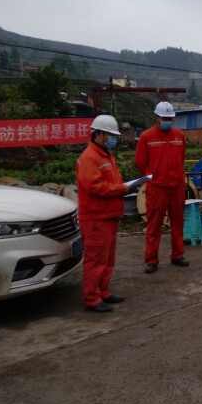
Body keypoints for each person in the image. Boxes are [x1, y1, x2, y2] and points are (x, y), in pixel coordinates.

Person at [76, 115, 135, 312]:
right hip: (95, 218)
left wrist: (122, 187)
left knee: (107, 258)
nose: (113, 139)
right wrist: (122, 189)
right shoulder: (90, 157)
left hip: (108, 216)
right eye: (110, 135)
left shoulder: (105, 155)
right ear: (99, 134)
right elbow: (96, 187)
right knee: (96, 259)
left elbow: (110, 182)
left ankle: (103, 291)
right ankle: (92, 298)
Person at [135, 101, 190, 274]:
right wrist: (153, 177)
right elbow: (140, 162)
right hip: (157, 188)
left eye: (170, 118)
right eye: (164, 118)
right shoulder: (146, 137)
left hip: (176, 187)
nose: (167, 121)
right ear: (157, 118)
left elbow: (181, 158)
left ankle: (178, 255)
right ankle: (151, 260)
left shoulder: (179, 136)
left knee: (178, 223)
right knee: (154, 225)